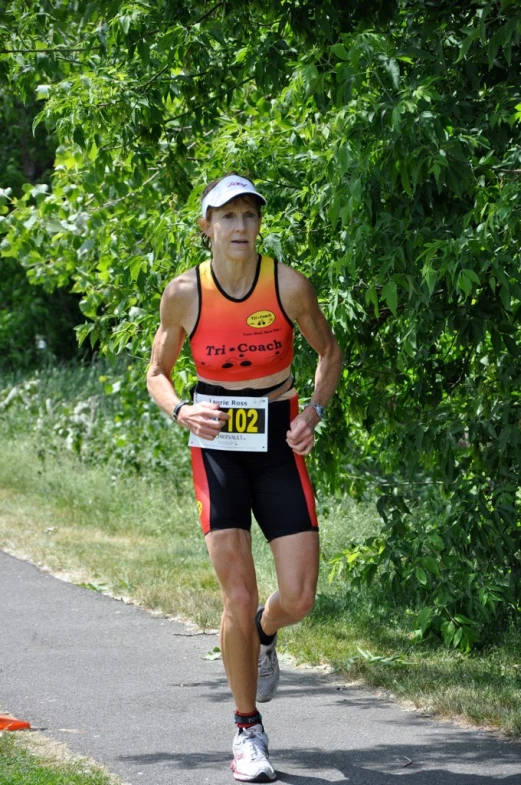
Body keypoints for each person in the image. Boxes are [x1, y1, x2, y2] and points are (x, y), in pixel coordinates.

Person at [147, 173, 342, 782]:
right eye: (226, 217)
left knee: (300, 597)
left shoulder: (287, 286)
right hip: (218, 443)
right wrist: (181, 409)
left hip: (279, 436)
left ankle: (263, 631)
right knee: (234, 590)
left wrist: (312, 413)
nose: (239, 227)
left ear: (260, 226)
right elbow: (156, 371)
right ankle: (247, 729)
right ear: (206, 227)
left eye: (249, 217)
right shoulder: (184, 293)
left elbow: (329, 354)